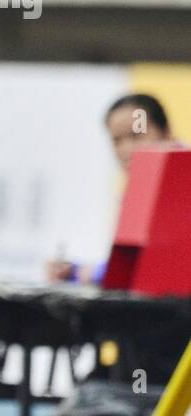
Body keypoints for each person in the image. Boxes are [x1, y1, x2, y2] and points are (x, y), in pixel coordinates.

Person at [46, 92, 175, 284]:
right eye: (116, 140)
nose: (127, 149)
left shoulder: (181, 183)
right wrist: (74, 272)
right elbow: (133, 265)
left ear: (165, 132)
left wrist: (92, 273)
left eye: (136, 135)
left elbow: (166, 266)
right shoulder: (137, 194)